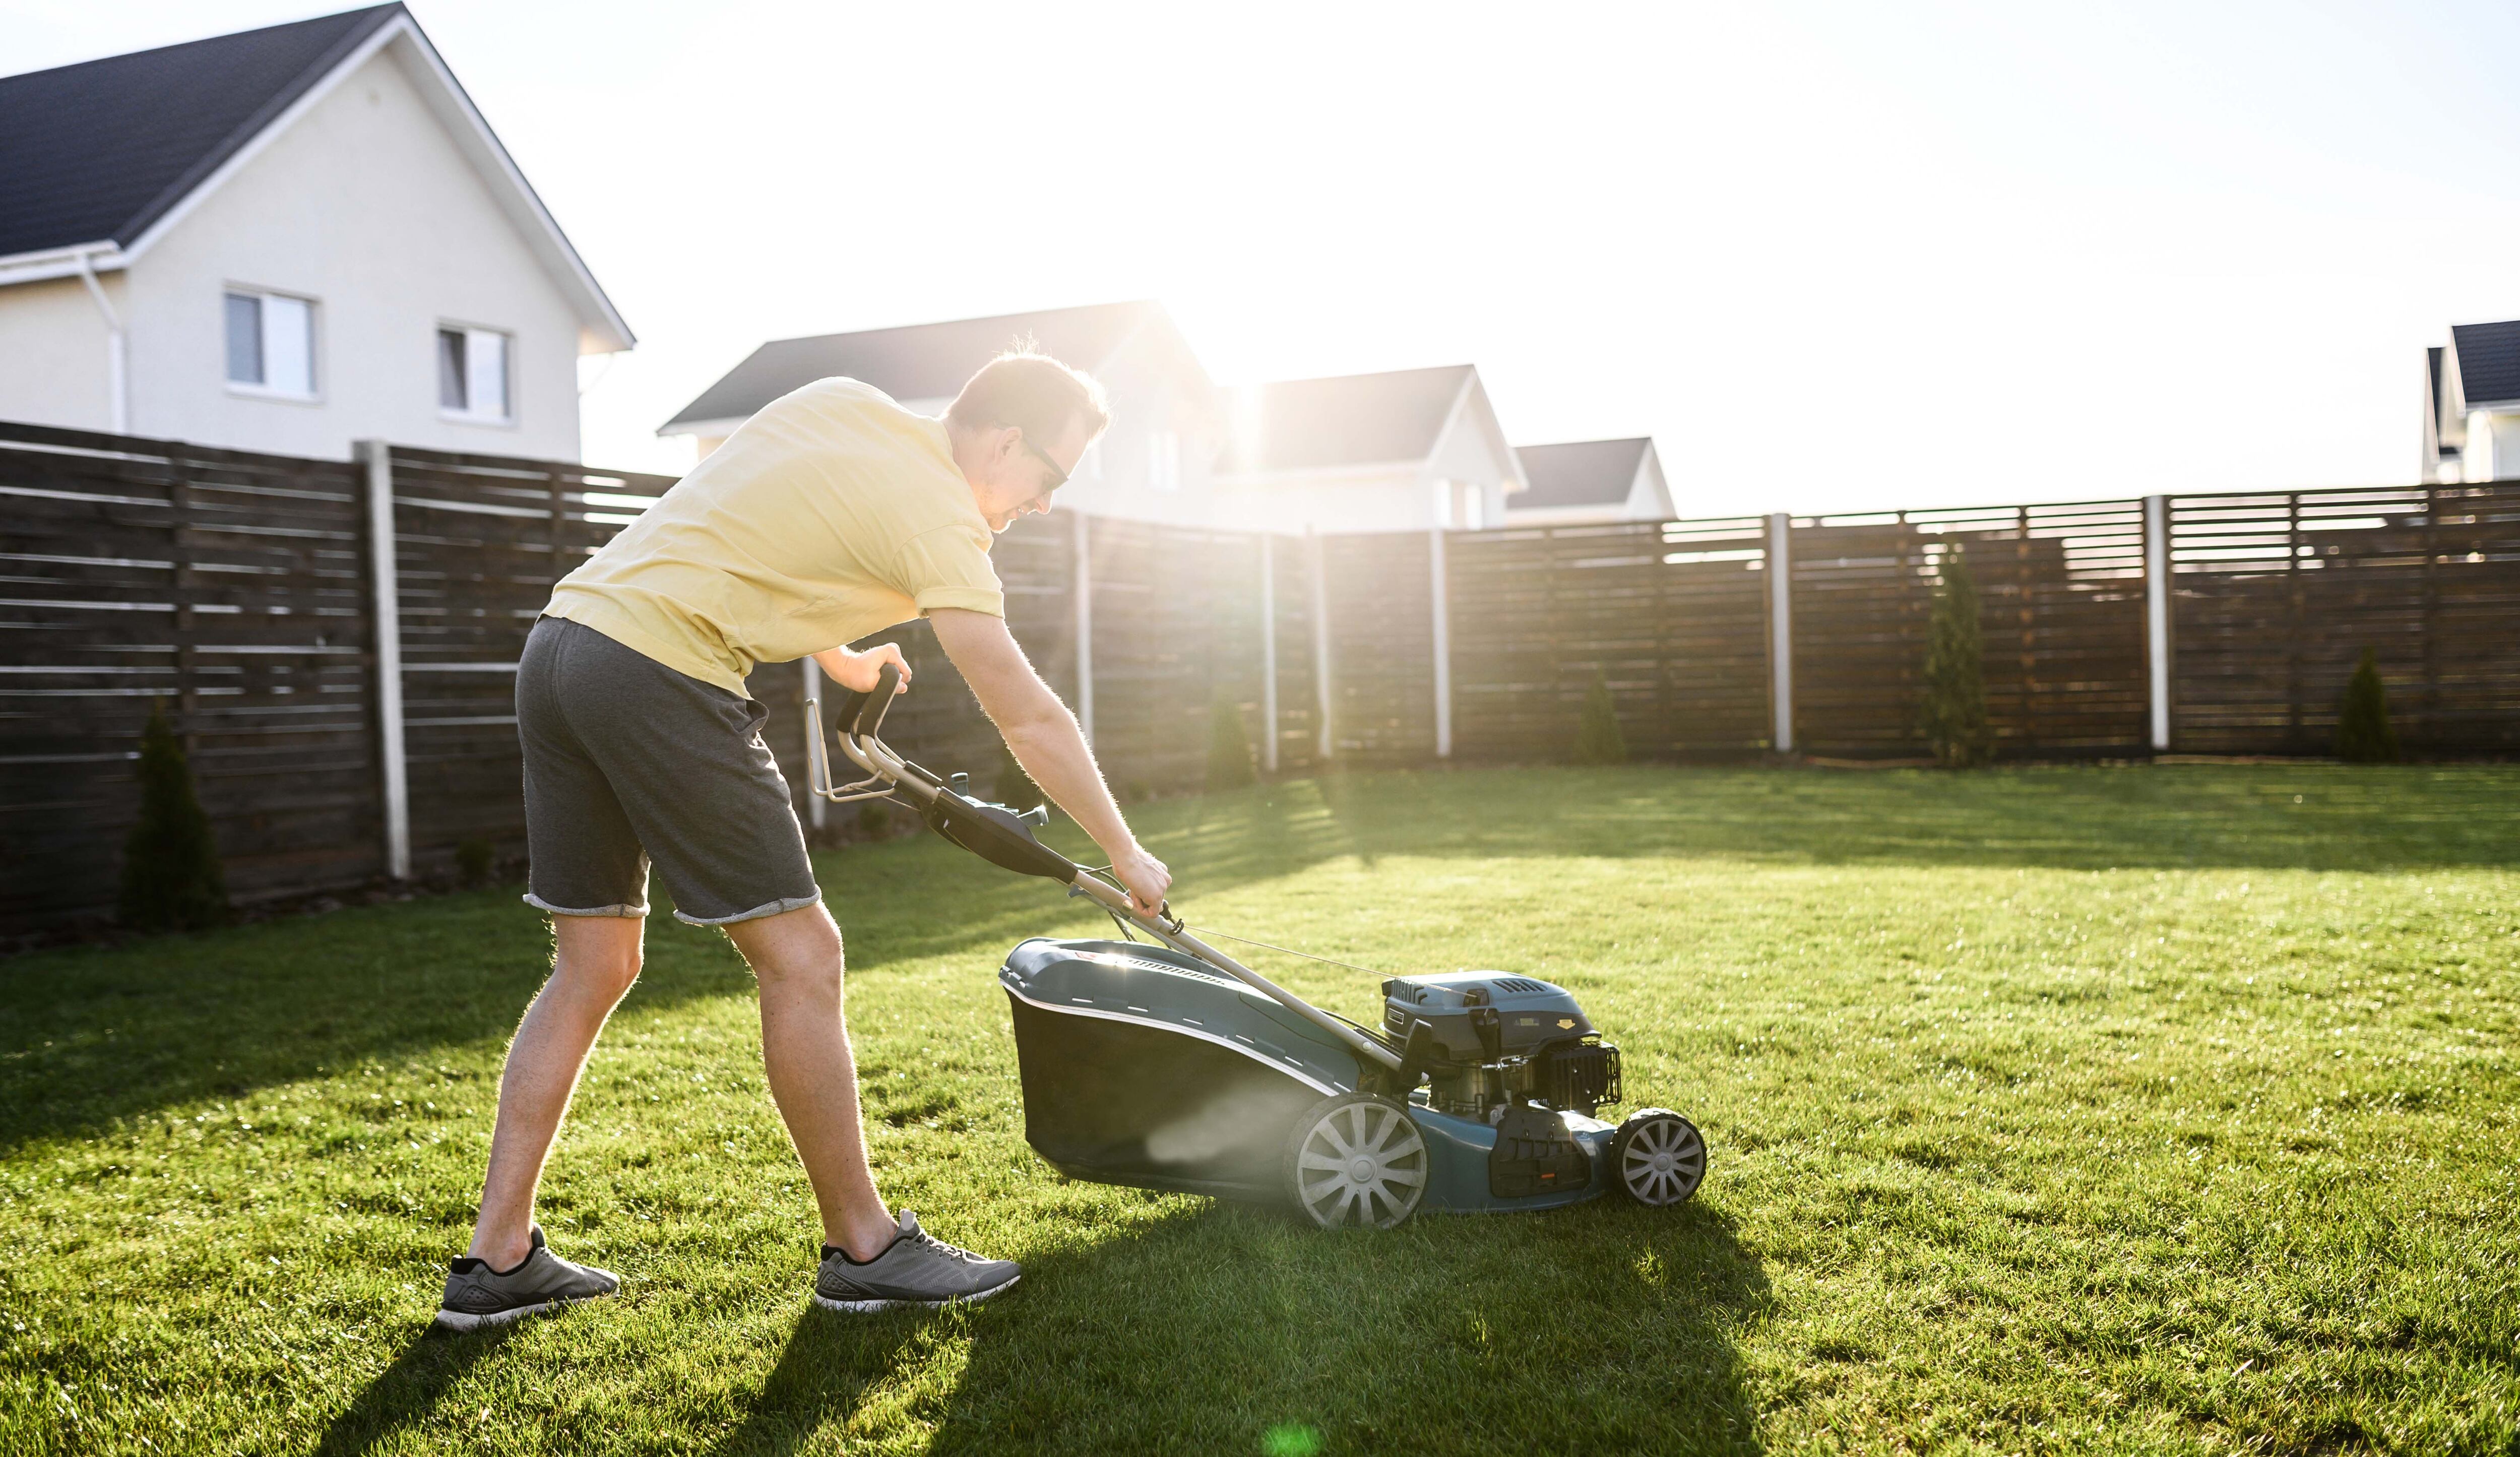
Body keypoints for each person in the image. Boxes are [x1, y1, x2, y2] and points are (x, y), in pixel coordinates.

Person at [433, 351, 1171, 1331]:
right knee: (803, 956)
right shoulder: (944, 520)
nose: (1044, 502)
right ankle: (864, 1248)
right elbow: (1025, 716)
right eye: (1051, 476)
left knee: (591, 966)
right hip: (661, 670)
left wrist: (838, 649)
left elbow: (752, 523)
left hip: (563, 646)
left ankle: (497, 1260)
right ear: (1004, 441)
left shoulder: (847, 405)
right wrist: (1125, 852)